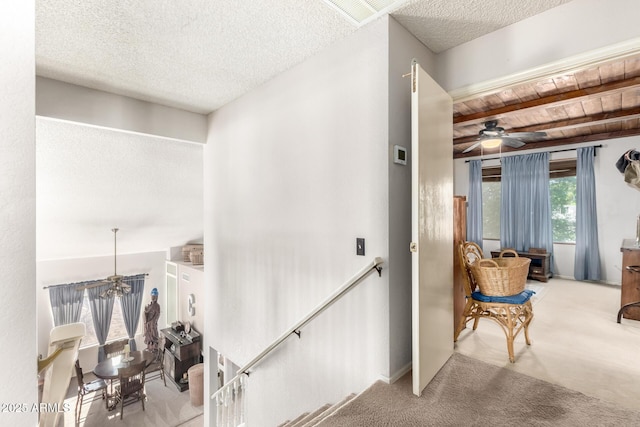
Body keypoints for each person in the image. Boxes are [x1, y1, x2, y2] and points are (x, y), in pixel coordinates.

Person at [144, 288, 161, 356]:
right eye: (152, 296)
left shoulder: (157, 306)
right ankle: (149, 351)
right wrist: (146, 311)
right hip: (148, 327)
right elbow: (146, 315)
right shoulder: (150, 305)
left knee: (154, 340)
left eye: (155, 296)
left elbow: (156, 316)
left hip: (152, 326)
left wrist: (151, 324)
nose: (153, 298)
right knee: (149, 341)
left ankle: (154, 354)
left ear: (157, 297)